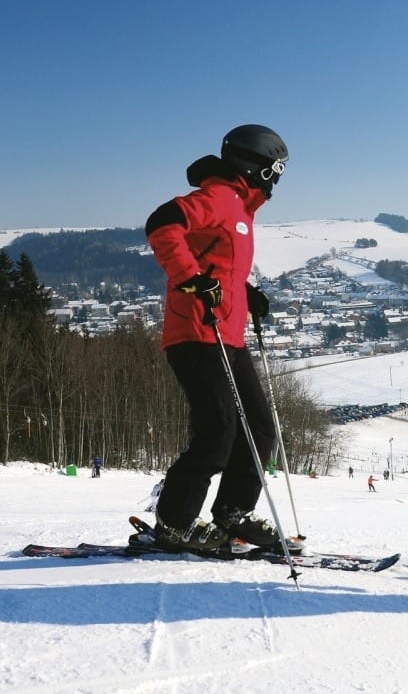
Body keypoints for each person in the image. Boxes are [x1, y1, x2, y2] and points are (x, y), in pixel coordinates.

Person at [144, 124, 289, 553]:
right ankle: (174, 522)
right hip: (195, 332)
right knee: (219, 429)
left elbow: (218, 266)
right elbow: (162, 224)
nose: (278, 178)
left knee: (259, 427)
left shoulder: (241, 209)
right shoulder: (220, 197)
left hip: (226, 335)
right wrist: (189, 278)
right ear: (257, 165)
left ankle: (232, 512)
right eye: (276, 169)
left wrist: (245, 293)